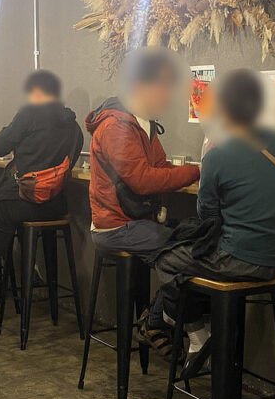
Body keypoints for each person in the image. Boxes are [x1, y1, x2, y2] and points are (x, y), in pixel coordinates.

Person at [139, 69, 275, 372]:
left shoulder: (217, 154)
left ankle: (195, 333)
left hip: (241, 259)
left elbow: (207, 217)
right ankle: (173, 319)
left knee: (167, 260)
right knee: (190, 260)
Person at [0, 70, 84, 348]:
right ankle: (53, 309)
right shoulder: (74, 128)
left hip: (17, 201)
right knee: (0, 238)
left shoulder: (30, 113)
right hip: (53, 209)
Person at [84, 48, 200, 255]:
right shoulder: (115, 127)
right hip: (115, 228)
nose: (168, 94)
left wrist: (199, 172)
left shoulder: (144, 122)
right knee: (190, 251)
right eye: (162, 86)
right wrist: (196, 172)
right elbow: (142, 181)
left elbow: (160, 166)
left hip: (139, 220)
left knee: (197, 234)